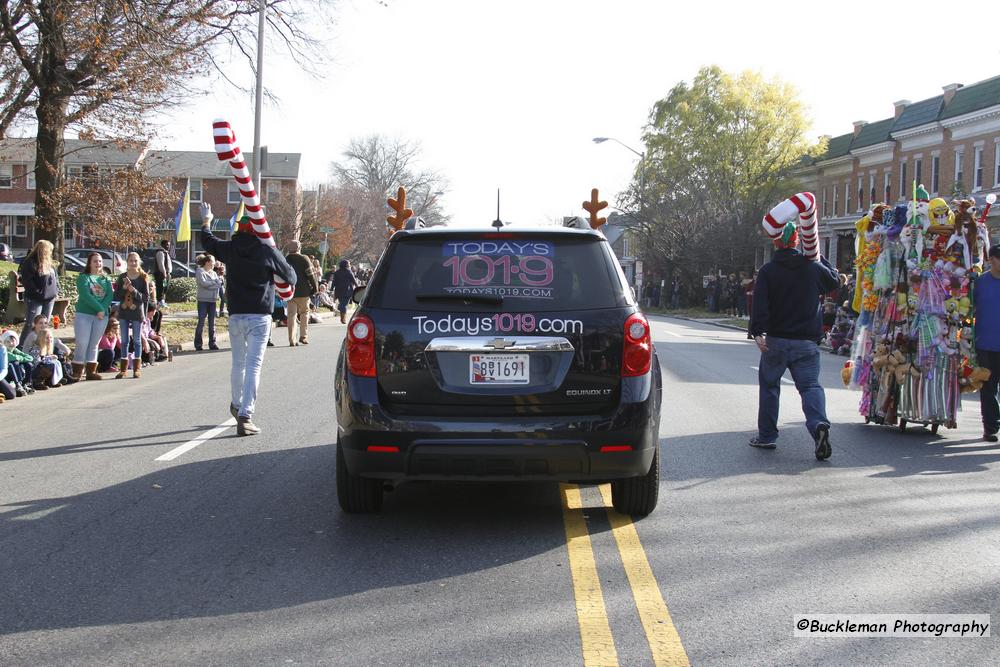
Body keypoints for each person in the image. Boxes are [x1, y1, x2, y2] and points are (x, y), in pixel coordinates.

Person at [200, 204, 296, 436]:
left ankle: (236, 404)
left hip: (235, 315)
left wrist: (206, 221)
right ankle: (245, 415)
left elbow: (209, 242)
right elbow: (291, 276)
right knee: (254, 366)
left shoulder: (231, 249)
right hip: (259, 315)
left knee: (238, 364)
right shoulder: (266, 252)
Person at [748, 221, 840, 459]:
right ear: (798, 241)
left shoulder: (768, 271)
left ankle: (767, 436)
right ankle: (819, 424)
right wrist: (818, 255)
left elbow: (760, 305)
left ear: (776, 242)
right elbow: (834, 282)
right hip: (806, 341)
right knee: (810, 386)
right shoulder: (812, 267)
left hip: (776, 340)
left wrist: (757, 332)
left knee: (770, 387)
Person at [72, 252, 114, 380]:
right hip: (84, 314)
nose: (98, 264)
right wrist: (99, 309)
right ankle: (77, 371)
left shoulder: (105, 279)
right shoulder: (83, 278)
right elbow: (85, 295)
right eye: (95, 261)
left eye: (100, 261)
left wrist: (102, 310)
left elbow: (109, 296)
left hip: (101, 316)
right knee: (82, 342)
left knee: (94, 343)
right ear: (89, 263)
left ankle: (91, 371)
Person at [973, 245, 1000, 443]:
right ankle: (990, 427)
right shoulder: (980, 283)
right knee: (988, 388)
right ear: (990, 259)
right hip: (985, 344)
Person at [113, 252, 153, 379]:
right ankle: (123, 368)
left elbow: (146, 298)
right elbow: (116, 296)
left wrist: (134, 291)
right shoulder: (122, 277)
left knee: (136, 340)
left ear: (139, 262)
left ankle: (137, 367)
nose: (133, 263)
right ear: (127, 262)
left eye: (135, 261)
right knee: (124, 340)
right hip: (124, 311)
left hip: (137, 312)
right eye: (131, 261)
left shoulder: (143, 278)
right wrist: (124, 288)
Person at [17, 240, 59, 346]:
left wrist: (56, 290)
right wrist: (38, 293)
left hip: (49, 298)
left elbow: (55, 279)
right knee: (32, 324)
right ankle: (22, 346)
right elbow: (28, 282)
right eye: (49, 250)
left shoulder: (49, 263)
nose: (50, 252)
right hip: (35, 298)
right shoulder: (30, 263)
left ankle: (40, 346)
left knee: (44, 324)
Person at [285, 240, 319, 346]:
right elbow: (311, 275)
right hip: (304, 292)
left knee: (291, 315)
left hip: (290, 291)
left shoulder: (286, 259)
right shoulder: (304, 258)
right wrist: (315, 288)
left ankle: (292, 339)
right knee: (304, 313)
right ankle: (303, 336)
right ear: (299, 248)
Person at [195, 253, 223, 351]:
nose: (214, 264)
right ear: (207, 262)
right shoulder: (200, 271)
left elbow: (219, 284)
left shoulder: (213, 273)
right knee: (201, 322)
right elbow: (203, 284)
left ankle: (212, 343)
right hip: (203, 300)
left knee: (212, 323)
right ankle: (198, 344)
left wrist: (212, 284)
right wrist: (213, 283)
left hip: (213, 300)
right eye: (212, 262)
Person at [2, 330, 34, 395]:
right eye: (8, 342)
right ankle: (18, 385)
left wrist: (21, 359)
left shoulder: (15, 350)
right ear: (4, 343)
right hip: (5, 375)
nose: (11, 343)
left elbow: (30, 358)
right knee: (14, 363)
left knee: (28, 364)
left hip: (13, 373)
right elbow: (14, 358)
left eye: (12, 341)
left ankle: (25, 384)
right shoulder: (4, 351)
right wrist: (20, 358)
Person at [332, 259, 358, 324]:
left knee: (343, 304)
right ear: (346, 265)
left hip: (339, 291)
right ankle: (343, 318)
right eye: (348, 264)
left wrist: (332, 288)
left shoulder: (337, 272)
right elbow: (353, 280)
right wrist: (357, 286)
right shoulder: (349, 272)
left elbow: (334, 282)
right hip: (347, 291)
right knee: (344, 304)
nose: (349, 265)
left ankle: (342, 317)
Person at [153, 239, 172, 308]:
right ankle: (159, 301)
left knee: (165, 288)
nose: (168, 246)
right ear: (163, 245)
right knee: (161, 288)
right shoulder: (160, 253)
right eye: (167, 245)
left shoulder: (165, 252)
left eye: (169, 245)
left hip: (167, 273)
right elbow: (161, 264)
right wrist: (164, 273)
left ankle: (162, 301)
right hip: (161, 274)